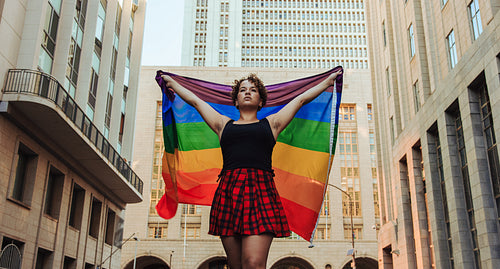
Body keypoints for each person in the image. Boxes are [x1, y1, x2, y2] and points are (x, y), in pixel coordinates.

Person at [161, 70, 342, 269]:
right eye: (243, 90)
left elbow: (299, 100)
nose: (247, 92)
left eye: (253, 90)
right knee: (236, 265)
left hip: (261, 193)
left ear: (261, 101)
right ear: (236, 101)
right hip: (229, 194)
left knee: (253, 263)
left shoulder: (272, 124)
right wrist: (172, 83)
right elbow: (196, 102)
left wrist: (327, 82)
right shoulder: (222, 124)